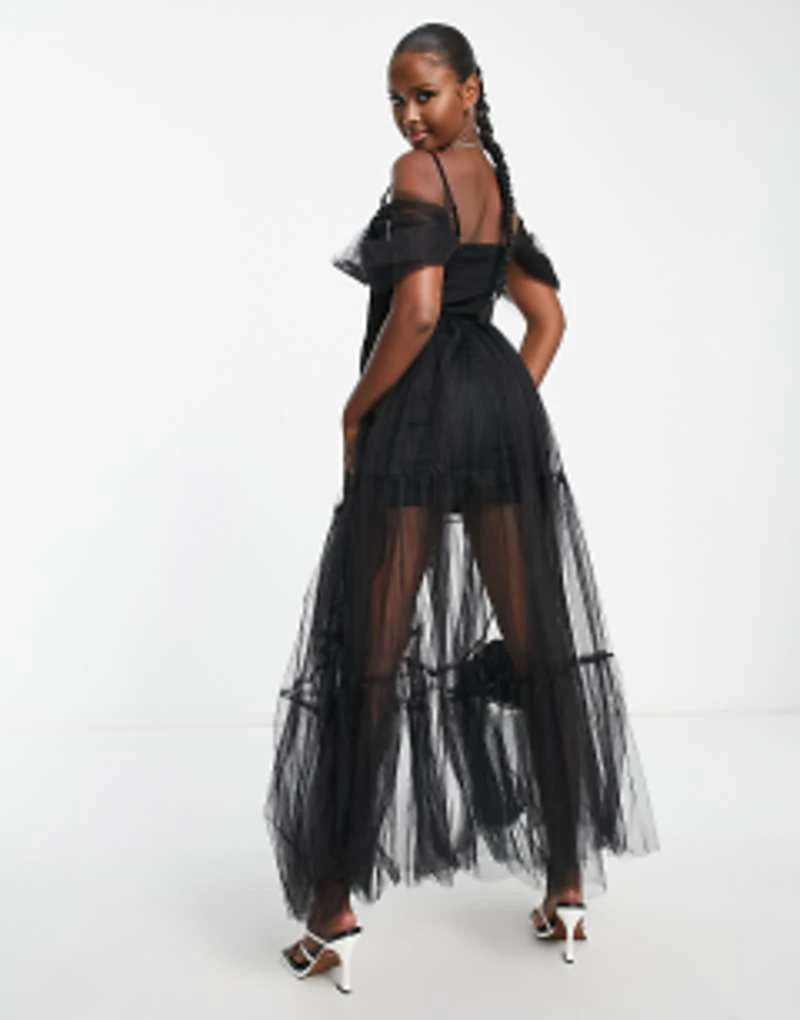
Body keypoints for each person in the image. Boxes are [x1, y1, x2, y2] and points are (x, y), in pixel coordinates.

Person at [263, 22, 660, 989]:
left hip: (417, 421)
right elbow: (547, 319)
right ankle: (566, 887)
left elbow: (418, 312)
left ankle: (332, 910)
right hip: (495, 420)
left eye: (425, 94)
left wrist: (358, 410)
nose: (409, 116)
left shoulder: (420, 173)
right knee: (537, 648)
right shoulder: (495, 183)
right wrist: (495, 410)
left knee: (370, 659)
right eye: (396, 100)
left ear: (470, 88)